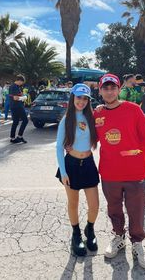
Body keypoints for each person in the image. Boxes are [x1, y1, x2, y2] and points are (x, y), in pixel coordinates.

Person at [94, 74, 145, 269]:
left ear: (118, 88)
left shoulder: (133, 110)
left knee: (136, 210)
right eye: (105, 88)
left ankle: (137, 243)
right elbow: (83, 133)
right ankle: (118, 237)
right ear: (100, 91)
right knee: (114, 209)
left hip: (134, 173)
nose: (109, 91)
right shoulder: (97, 114)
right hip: (109, 173)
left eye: (112, 88)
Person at [56, 83, 99, 257]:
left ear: (88, 100)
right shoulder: (66, 120)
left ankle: (90, 229)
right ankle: (76, 234)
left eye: (85, 98)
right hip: (71, 166)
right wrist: (63, 172)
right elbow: (59, 147)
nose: (81, 101)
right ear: (73, 97)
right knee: (73, 203)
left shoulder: (92, 117)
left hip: (88, 163)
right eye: (78, 97)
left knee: (94, 205)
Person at [9, 75, 28, 144]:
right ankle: (19, 137)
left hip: (15, 106)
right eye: (22, 82)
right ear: (19, 80)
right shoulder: (13, 87)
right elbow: (15, 98)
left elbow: (19, 95)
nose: (22, 84)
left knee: (16, 122)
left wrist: (23, 96)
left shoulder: (17, 87)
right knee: (25, 120)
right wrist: (23, 98)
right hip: (17, 106)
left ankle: (13, 138)